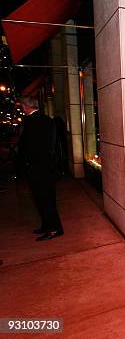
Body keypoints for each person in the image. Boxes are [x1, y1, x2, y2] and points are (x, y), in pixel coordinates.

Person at [17, 97, 64, 241]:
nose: (21, 109)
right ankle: (47, 225)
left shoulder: (32, 122)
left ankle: (54, 229)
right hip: (46, 167)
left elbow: (29, 147)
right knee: (43, 199)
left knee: (45, 199)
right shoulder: (47, 120)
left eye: (22, 107)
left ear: (26, 107)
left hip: (38, 168)